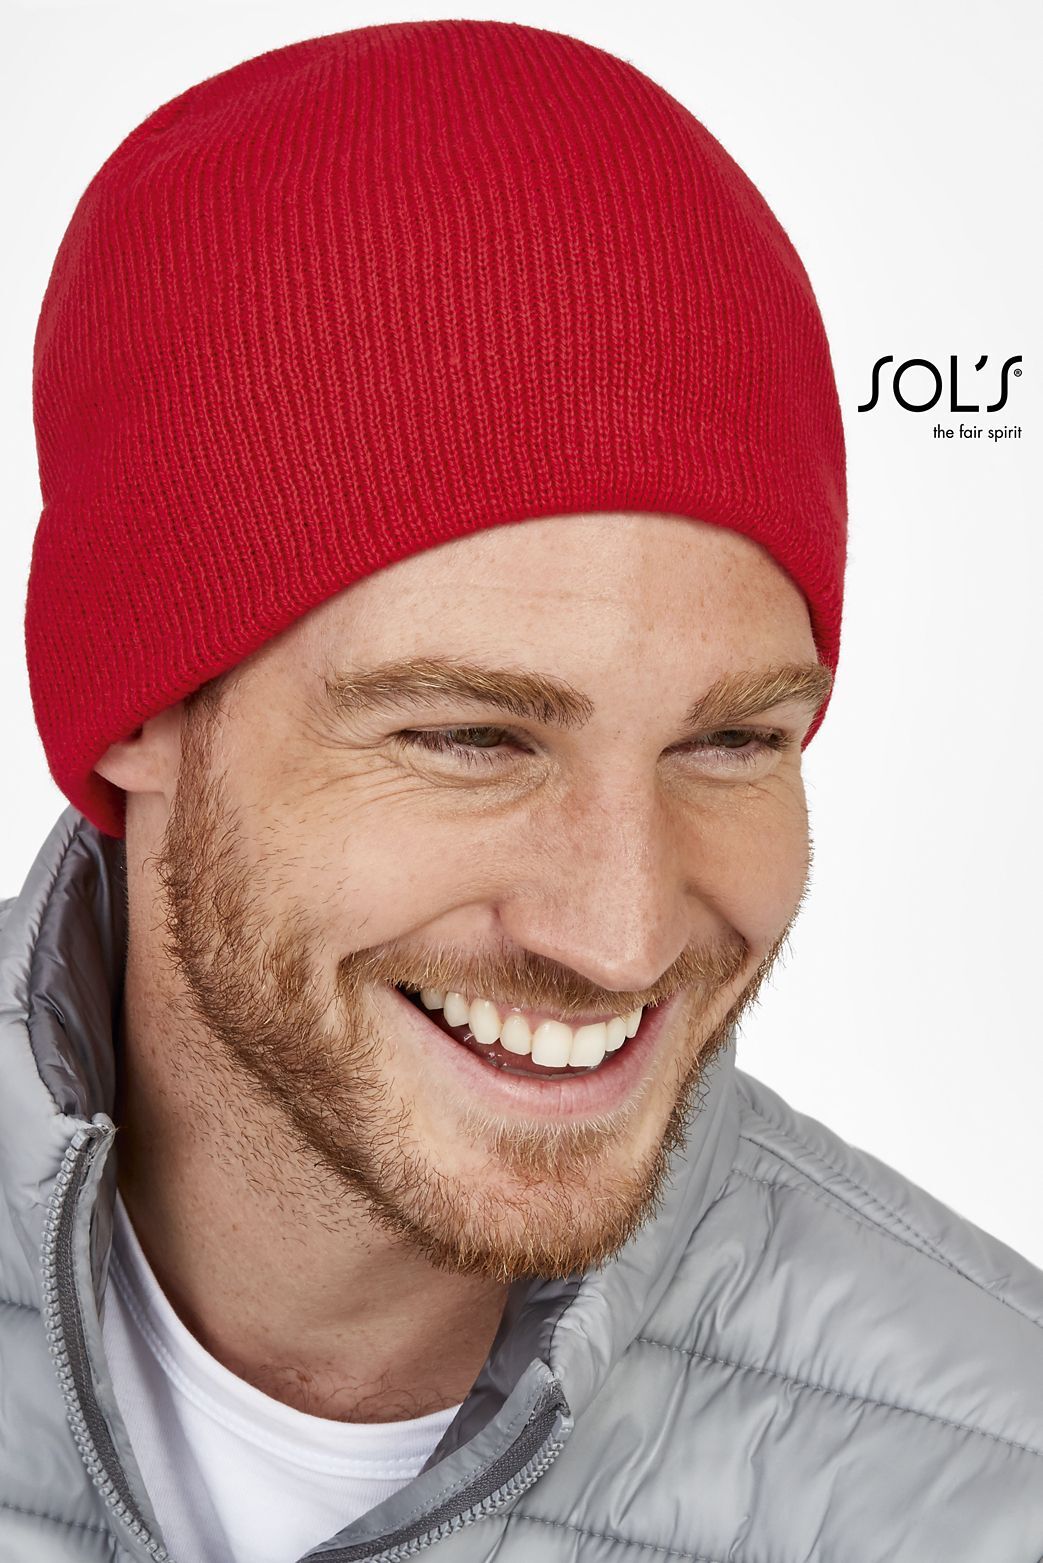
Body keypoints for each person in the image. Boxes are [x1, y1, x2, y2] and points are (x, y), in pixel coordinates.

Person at [4, 18, 1040, 1563]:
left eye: (730, 743)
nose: (622, 935)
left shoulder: (997, 1485)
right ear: (135, 716)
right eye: (472, 738)